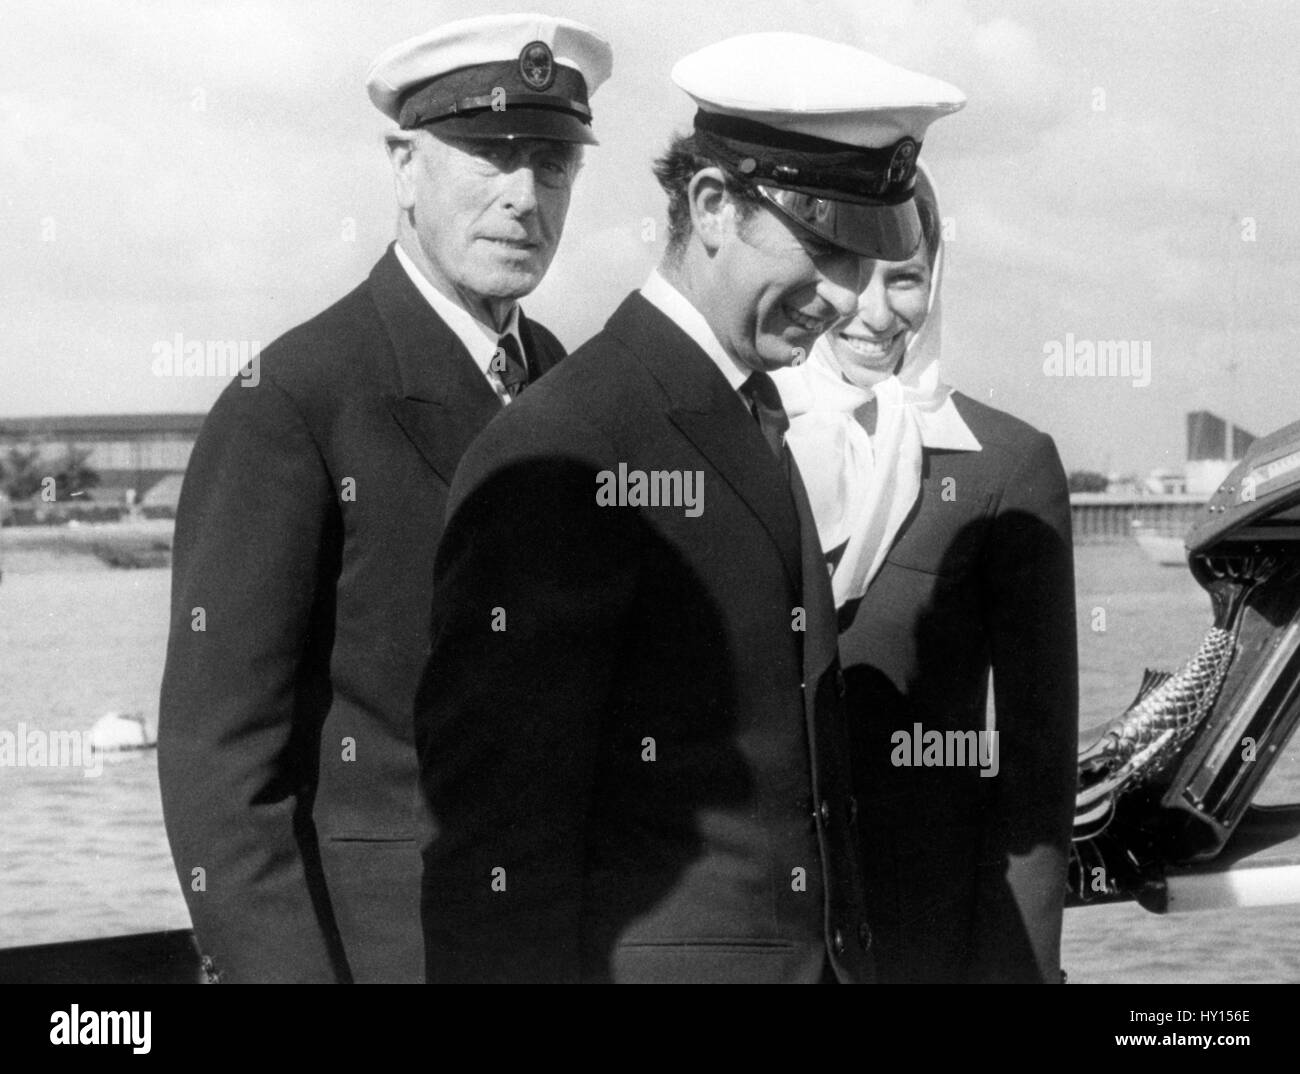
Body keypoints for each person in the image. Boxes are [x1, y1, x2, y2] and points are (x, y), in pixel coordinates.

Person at [413, 32, 964, 984]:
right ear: (711, 206)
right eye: (826, 247)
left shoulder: (741, 411)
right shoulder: (565, 449)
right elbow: (496, 854)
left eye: (868, 260)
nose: (844, 297)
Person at [156, 14, 612, 983]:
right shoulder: (295, 397)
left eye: (553, 164)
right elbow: (220, 769)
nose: (524, 199)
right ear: (404, 166)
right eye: (489, 156)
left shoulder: (567, 387)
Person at [773, 161, 1079, 983]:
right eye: (848, 268)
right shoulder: (735, 434)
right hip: (751, 938)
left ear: (936, 278)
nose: (875, 312)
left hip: (923, 942)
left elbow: (1035, 773)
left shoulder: (1007, 466)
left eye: (904, 278)